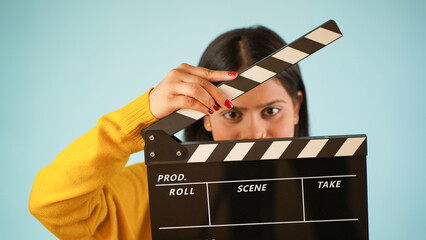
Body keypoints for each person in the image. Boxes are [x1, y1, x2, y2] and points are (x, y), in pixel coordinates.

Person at [29, 25, 308, 240]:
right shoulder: (152, 189)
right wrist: (144, 114)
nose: (255, 134)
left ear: (296, 106)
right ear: (206, 117)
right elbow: (54, 203)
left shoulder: (340, 181)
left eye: (271, 111)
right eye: (232, 114)